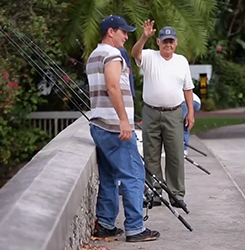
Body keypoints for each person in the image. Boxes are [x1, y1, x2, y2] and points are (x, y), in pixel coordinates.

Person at [86, 15, 160, 242]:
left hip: (99, 125)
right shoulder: (112, 54)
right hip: (114, 127)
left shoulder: (93, 55)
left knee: (108, 176)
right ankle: (136, 229)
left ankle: (106, 224)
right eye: (123, 32)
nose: (126, 36)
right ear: (111, 32)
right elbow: (112, 86)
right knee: (134, 175)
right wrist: (124, 121)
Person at [131, 20, 195, 209]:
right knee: (151, 154)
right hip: (151, 112)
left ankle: (176, 194)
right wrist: (144, 37)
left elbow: (188, 88)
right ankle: (154, 193)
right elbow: (135, 53)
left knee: (175, 154)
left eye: (171, 41)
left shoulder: (181, 61)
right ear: (158, 42)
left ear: (176, 43)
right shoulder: (150, 56)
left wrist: (190, 111)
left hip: (174, 113)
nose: (168, 44)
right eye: (164, 41)